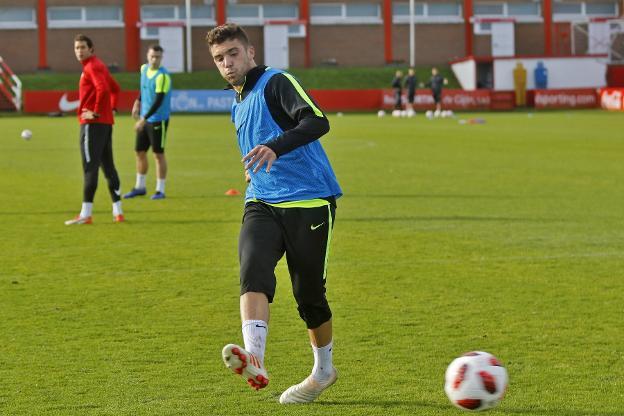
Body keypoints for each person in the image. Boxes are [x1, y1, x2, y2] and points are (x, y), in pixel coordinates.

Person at [206, 23, 342, 404]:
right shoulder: (237, 100)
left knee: (309, 295)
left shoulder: (275, 81)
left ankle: (323, 370)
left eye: (233, 53)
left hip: (309, 199)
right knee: (253, 270)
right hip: (262, 201)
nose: (228, 63)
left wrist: (274, 147)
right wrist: (255, 165)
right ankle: (256, 358)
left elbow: (316, 120)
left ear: (250, 53)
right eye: (220, 58)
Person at [65, 34, 124, 225]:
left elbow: (103, 89)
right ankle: (118, 211)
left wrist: (97, 112)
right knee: (108, 167)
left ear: (91, 49)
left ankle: (86, 214)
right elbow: (115, 88)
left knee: (90, 168)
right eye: (76, 48)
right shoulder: (99, 66)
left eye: (82, 47)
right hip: (106, 125)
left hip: (93, 125)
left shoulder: (92, 66)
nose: (79, 51)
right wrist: (111, 108)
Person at [124, 45, 172, 200]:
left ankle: (160, 190)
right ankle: (140, 187)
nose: (154, 59)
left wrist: (143, 119)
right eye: (152, 56)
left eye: (157, 57)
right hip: (145, 119)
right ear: (147, 56)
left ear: (161, 58)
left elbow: (158, 101)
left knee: (158, 154)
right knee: (140, 152)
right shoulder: (144, 69)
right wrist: (137, 103)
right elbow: (143, 89)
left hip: (158, 120)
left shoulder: (162, 76)